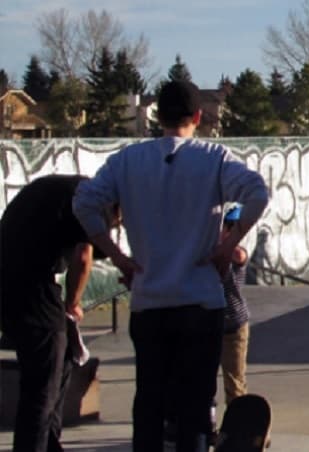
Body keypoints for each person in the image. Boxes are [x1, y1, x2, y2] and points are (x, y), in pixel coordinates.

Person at [73, 80, 270, 452]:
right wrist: (227, 246)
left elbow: (83, 203)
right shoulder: (213, 158)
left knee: (150, 402)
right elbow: (258, 193)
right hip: (200, 300)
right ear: (197, 116)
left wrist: (117, 256)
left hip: (149, 301)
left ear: (157, 117)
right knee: (195, 407)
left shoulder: (127, 161)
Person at [1, 175, 119, 452]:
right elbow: (83, 257)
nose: (117, 226)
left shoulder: (69, 189)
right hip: (32, 288)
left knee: (62, 357)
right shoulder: (94, 203)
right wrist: (73, 304)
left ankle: (50, 444)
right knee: (42, 385)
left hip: (10, 281)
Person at [218, 206, 251, 404]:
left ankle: (238, 416)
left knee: (234, 381)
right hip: (212, 322)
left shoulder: (238, 253)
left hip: (235, 326)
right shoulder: (213, 249)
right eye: (227, 226)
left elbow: (238, 255)